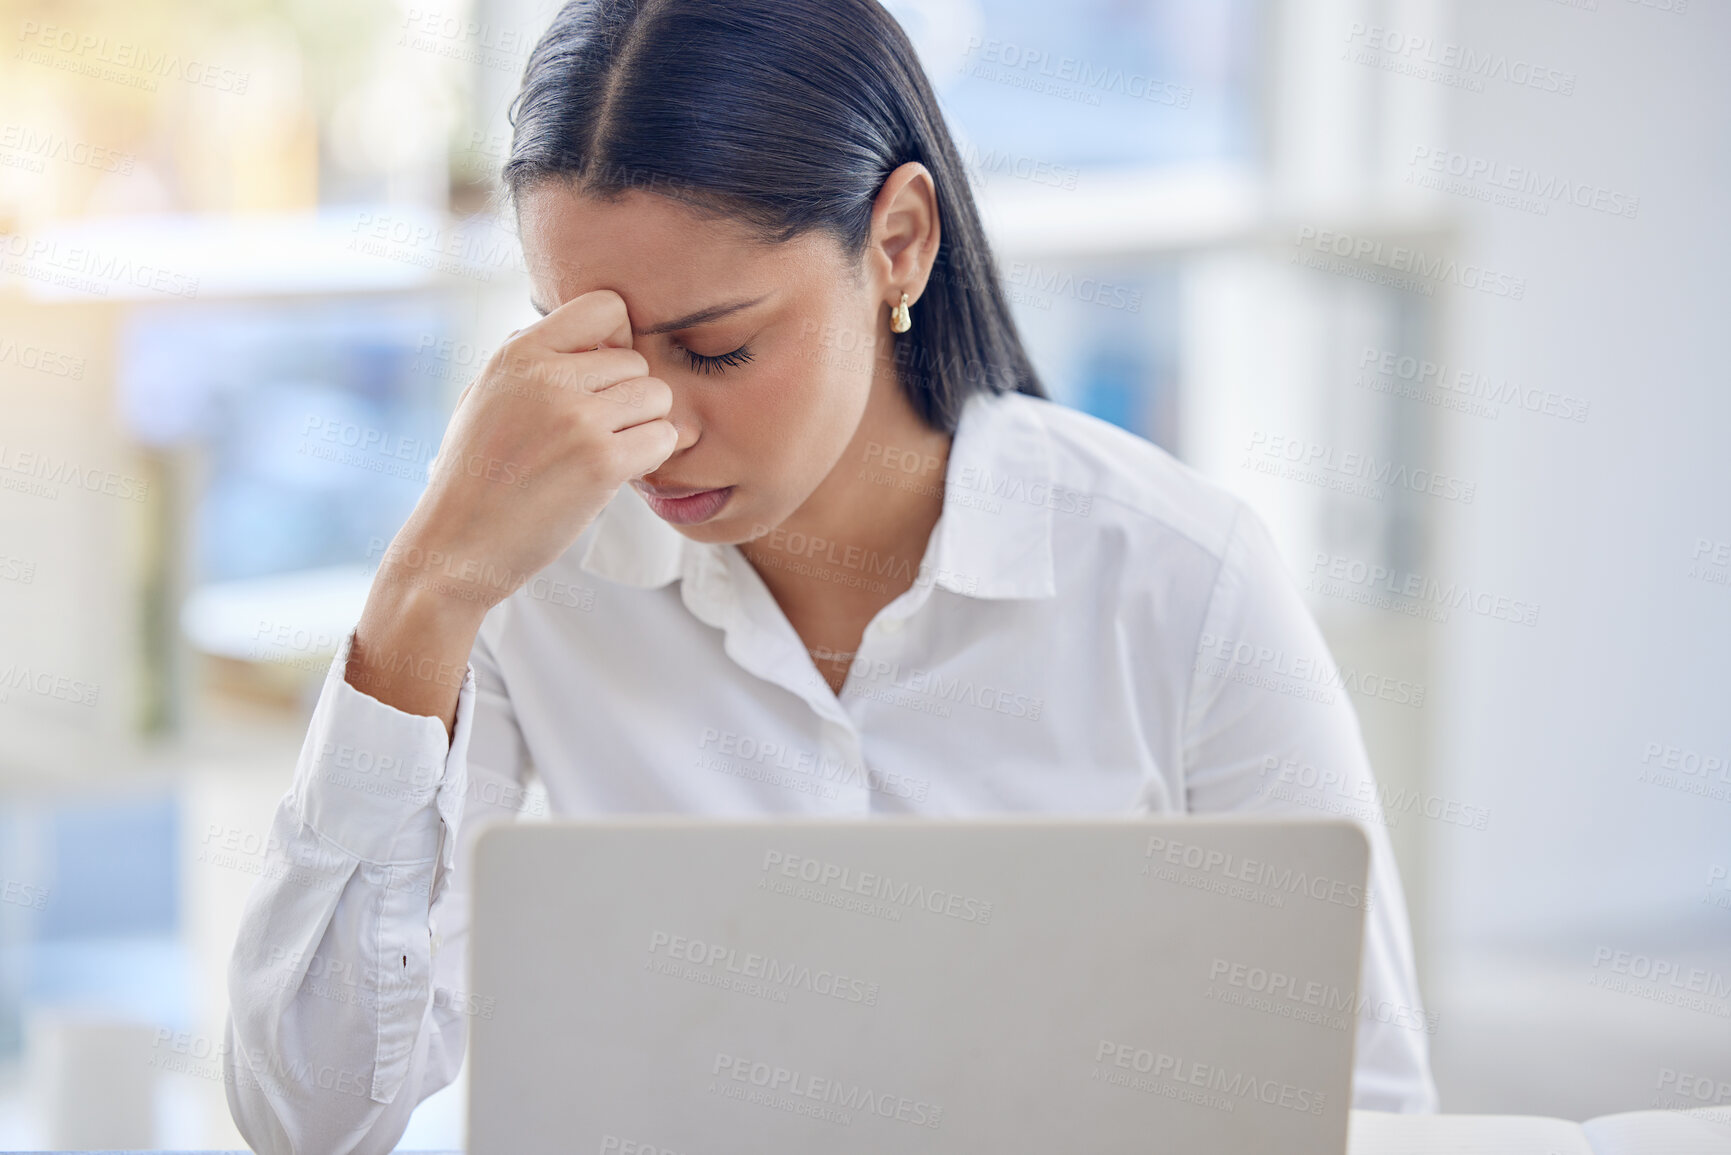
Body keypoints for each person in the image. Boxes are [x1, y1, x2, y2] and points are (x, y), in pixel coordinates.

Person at [223, 0, 1439, 1149]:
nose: (648, 425)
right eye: (582, 343)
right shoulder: (530, 560)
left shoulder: (1180, 577)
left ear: (897, 244)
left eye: (717, 347)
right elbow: (317, 1118)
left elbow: (1363, 1105)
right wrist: (426, 585)